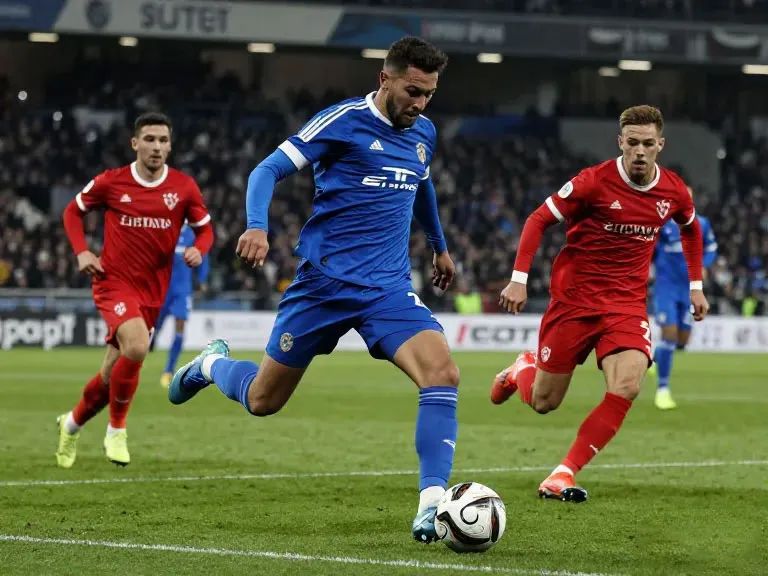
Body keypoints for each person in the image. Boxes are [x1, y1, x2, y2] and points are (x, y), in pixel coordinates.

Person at [168, 36, 459, 543]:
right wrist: (256, 226)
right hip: (323, 286)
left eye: (429, 94)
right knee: (263, 400)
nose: (420, 104)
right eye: (413, 91)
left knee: (443, 374)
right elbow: (267, 169)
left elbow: (422, 185)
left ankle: (432, 505)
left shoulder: (424, 133)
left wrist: (439, 246)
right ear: (385, 79)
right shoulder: (342, 122)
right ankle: (211, 365)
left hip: (387, 289)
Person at [491, 105, 709, 502]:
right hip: (574, 302)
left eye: (648, 143)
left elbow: (691, 229)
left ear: (660, 144)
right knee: (544, 402)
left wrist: (696, 285)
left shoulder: (673, 190)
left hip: (626, 305)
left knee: (628, 385)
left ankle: (563, 473)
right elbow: (538, 219)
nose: (639, 151)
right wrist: (518, 279)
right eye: (632, 142)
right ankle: (522, 370)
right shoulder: (592, 182)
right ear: (620, 142)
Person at [57, 112, 213, 468]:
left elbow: (205, 230)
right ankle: (116, 430)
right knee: (139, 346)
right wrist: (82, 251)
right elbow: (71, 213)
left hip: (153, 292)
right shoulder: (111, 182)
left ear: (170, 146)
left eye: (163, 140)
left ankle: (70, 425)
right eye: (149, 139)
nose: (156, 147)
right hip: (113, 282)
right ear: (135, 143)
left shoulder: (184, 188)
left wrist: (199, 249)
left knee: (109, 377)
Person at [649, 187, 718, 410]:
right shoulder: (662, 224)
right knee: (669, 336)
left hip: (689, 289)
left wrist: (704, 265)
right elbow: (648, 247)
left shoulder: (701, 224)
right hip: (666, 287)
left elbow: (711, 248)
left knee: (682, 340)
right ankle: (663, 390)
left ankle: (655, 358)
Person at [152, 222, 210, 389]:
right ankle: (151, 340)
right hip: (162, 289)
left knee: (180, 326)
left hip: (182, 290)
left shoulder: (192, 235)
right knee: (154, 327)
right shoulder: (164, 230)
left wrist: (202, 279)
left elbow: (203, 255)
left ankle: (168, 370)